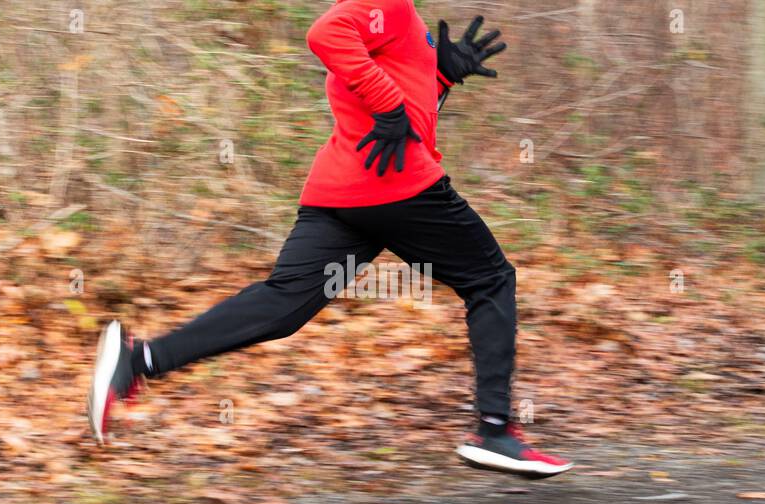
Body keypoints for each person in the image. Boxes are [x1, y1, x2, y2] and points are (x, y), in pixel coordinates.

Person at [87, 1, 573, 478]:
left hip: (342, 191)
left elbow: (402, 110)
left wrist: (440, 77)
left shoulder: (391, 19)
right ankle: (494, 431)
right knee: (490, 279)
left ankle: (139, 361)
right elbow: (325, 34)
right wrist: (390, 104)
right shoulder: (386, 5)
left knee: (282, 305)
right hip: (396, 186)